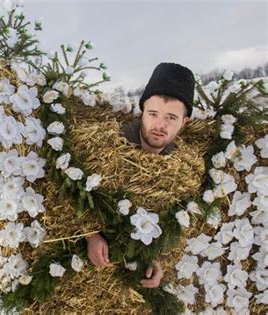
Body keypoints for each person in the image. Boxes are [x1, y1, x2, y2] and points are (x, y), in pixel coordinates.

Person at [86, 62, 195, 288]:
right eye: (153, 113)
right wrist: (90, 234)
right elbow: (72, 191)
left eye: (171, 118)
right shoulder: (108, 148)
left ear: (184, 122)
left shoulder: (181, 168)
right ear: (142, 111)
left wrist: (154, 259)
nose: (160, 125)